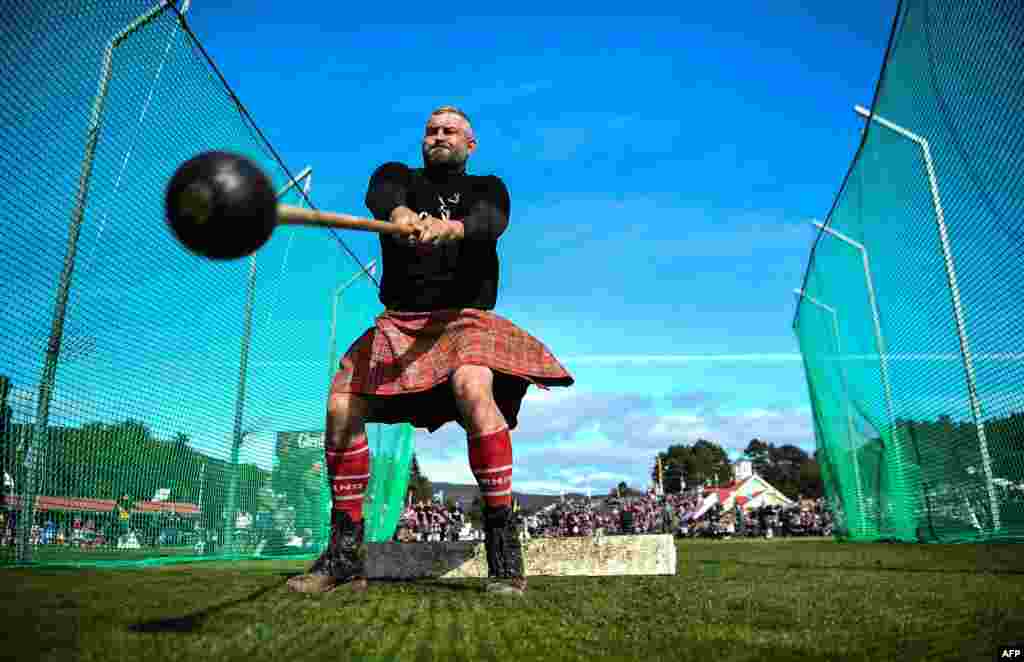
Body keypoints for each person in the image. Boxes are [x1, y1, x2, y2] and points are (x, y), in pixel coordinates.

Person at [286, 106, 574, 596]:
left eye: (450, 131)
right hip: (400, 322)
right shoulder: (399, 178)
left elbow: (491, 221)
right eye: (431, 130)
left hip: (464, 320)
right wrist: (400, 215)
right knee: (341, 404)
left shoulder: (488, 188)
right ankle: (344, 557)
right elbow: (382, 193)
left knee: (471, 382)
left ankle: (504, 553)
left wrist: (453, 229)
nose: (439, 137)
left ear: (470, 143)